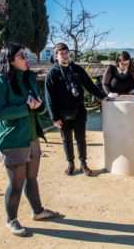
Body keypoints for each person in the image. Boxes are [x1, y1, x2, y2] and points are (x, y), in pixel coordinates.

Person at [0, 43, 60, 237]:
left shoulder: (28, 79)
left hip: (31, 137)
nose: (26, 59)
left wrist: (39, 106)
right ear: (9, 59)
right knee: (16, 184)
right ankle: (11, 220)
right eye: (21, 56)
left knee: (32, 178)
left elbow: (40, 106)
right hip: (12, 140)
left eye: (25, 55)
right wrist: (26, 108)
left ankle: (38, 212)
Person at [45, 42, 107, 176]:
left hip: (78, 110)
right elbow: (49, 98)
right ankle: (70, 164)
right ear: (56, 56)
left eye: (67, 53)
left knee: (81, 138)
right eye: (62, 53)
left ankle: (83, 164)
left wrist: (103, 97)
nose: (65, 55)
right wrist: (54, 118)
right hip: (62, 113)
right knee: (66, 139)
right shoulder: (52, 73)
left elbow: (90, 85)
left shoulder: (77, 69)